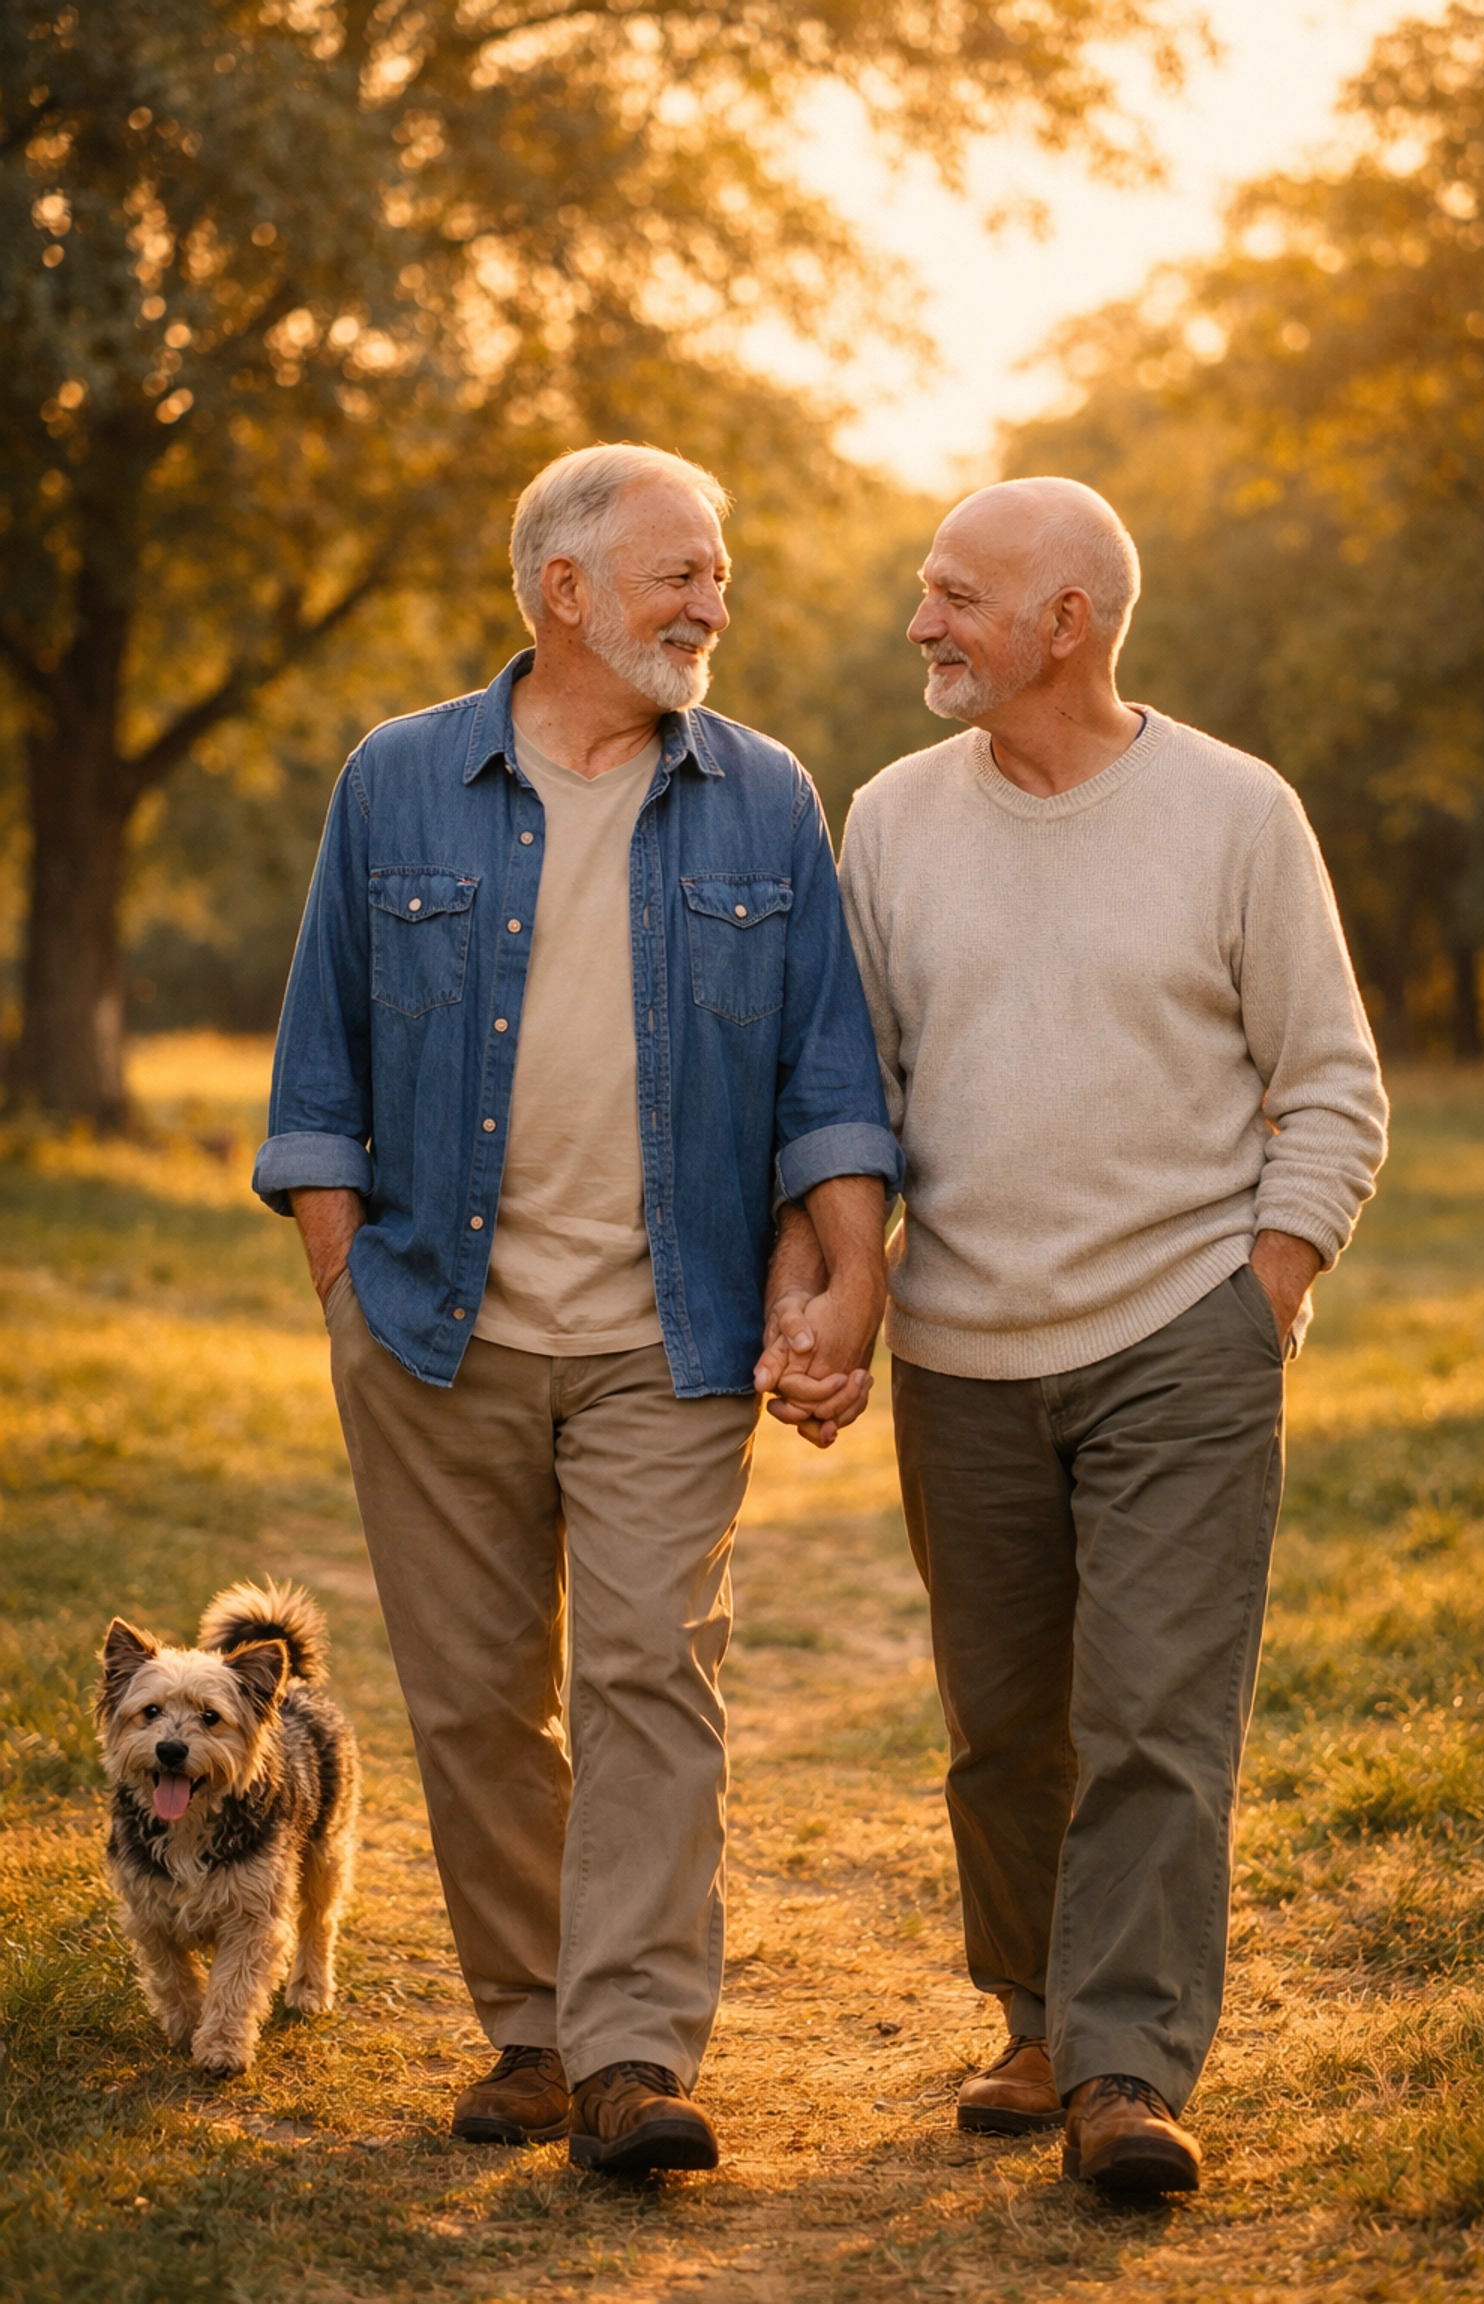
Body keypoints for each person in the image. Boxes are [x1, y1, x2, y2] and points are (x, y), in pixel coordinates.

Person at [253, 443, 898, 2174]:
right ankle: (528, 2033)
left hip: (666, 1333)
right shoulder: (396, 781)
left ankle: (629, 2054)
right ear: (564, 591)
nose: (714, 602)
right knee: (473, 1701)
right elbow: (319, 1071)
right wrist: (346, 1295)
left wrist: (850, 1274)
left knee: (644, 1672)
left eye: (719, 570)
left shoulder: (764, 794)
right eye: (681, 571)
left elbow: (828, 1071)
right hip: (431, 1324)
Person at [832, 476, 1388, 2194]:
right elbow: (852, 1097)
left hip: (1181, 1338)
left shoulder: (1233, 811)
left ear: (1065, 621)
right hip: (962, 1345)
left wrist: (1265, 1290)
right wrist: (840, 1287)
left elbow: (1332, 1087)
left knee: (1154, 1716)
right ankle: (1034, 2018)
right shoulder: (892, 819)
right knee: (1004, 1722)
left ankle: (1127, 2069)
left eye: (955, 595)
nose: (921, 622)